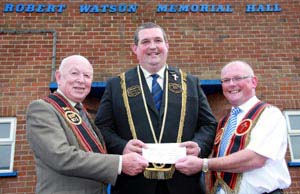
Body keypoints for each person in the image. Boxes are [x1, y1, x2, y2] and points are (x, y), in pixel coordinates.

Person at [94, 22, 217, 194]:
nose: (152, 47)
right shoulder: (117, 85)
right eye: (145, 42)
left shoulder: (189, 83)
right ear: (135, 48)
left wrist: (199, 146)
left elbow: (209, 125)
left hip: (184, 185)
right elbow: (102, 128)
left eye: (158, 40)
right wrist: (122, 146)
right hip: (133, 186)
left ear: (167, 45)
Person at [26, 55, 148, 194]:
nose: (81, 80)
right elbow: (61, 157)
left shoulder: (81, 111)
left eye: (87, 76)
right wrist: (120, 163)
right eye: (74, 73)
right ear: (59, 77)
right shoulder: (42, 109)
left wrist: (125, 148)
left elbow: (94, 152)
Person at [175, 60, 291, 194]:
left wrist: (204, 164)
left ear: (254, 82)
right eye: (225, 80)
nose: (231, 84)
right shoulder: (224, 122)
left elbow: (255, 158)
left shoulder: (269, 114)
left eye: (237, 78)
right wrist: (197, 149)